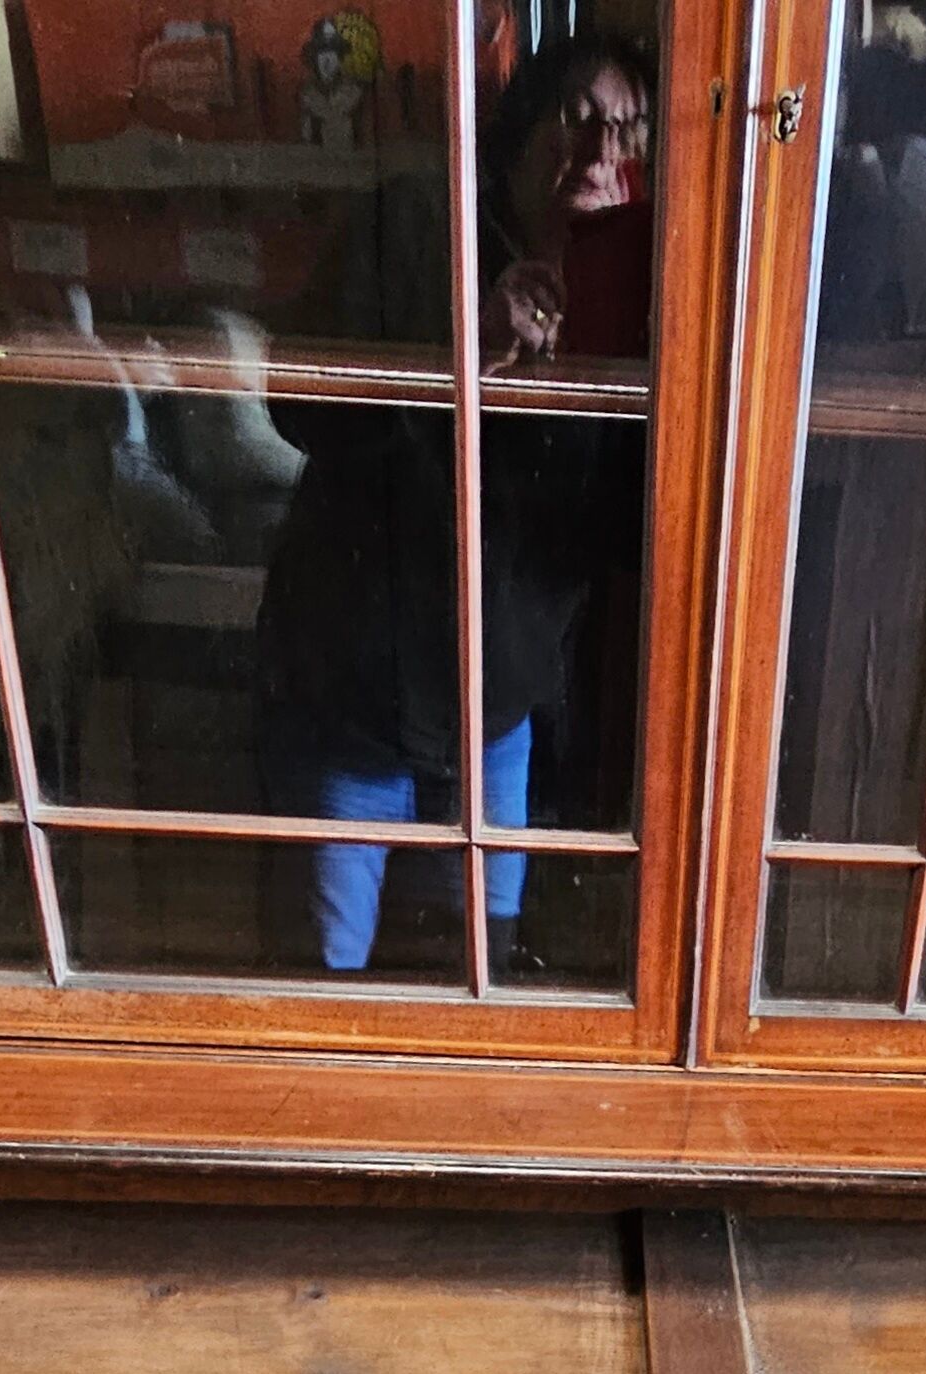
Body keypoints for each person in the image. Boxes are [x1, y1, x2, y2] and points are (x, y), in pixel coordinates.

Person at [254, 34, 654, 973]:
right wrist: (463, 340)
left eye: (628, 134)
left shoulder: (635, 290)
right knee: (326, 978)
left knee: (482, 968)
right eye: (578, 120)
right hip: (356, 692)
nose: (600, 155)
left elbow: (628, 535)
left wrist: (636, 373)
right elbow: (293, 397)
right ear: (523, 132)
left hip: (498, 710)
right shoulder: (418, 222)